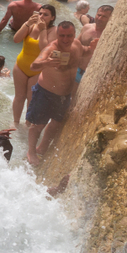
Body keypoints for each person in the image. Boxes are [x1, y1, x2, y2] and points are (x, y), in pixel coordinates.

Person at [26, 21, 83, 164]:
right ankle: (31, 152)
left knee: (56, 123)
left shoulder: (77, 45)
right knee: (38, 125)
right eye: (62, 35)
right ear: (57, 35)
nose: (65, 39)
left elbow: (86, 53)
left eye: (69, 35)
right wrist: (47, 63)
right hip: (45, 93)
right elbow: (34, 65)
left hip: (64, 96)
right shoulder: (51, 48)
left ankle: (42, 148)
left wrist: (92, 47)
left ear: (74, 34)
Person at [10, 5, 57, 126]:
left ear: (52, 17)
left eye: (46, 14)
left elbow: (44, 49)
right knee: (19, 96)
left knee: (31, 99)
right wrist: (27, 23)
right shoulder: (30, 26)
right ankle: (15, 123)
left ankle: (27, 125)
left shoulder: (54, 31)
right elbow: (16, 39)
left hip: (38, 70)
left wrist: (43, 30)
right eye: (40, 13)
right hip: (20, 66)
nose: (42, 16)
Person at [76, 4, 113, 83]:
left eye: (104, 17)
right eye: (99, 15)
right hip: (76, 69)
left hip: (91, 76)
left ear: (111, 18)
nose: (100, 18)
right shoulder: (87, 27)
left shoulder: (110, 35)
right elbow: (75, 45)